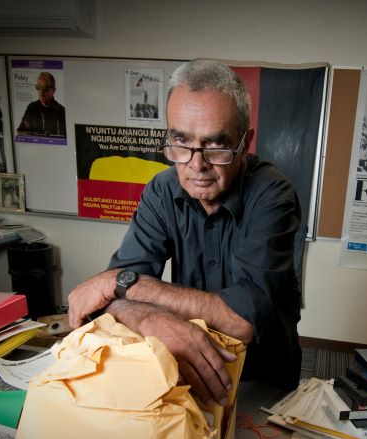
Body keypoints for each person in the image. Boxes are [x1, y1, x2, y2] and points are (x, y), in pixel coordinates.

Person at [68, 59, 302, 405]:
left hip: (263, 379)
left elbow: (241, 320)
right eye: (181, 141)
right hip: (188, 368)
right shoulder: (161, 191)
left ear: (245, 142)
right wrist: (153, 318)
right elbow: (112, 301)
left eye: (215, 145)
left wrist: (127, 282)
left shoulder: (273, 195)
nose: (196, 165)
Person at [17, 72, 66, 137]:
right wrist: (42, 133)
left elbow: (62, 136)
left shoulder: (61, 111)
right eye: (38, 87)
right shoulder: (32, 107)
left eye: (45, 88)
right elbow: (21, 131)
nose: (41, 91)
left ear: (53, 90)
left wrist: (34, 132)